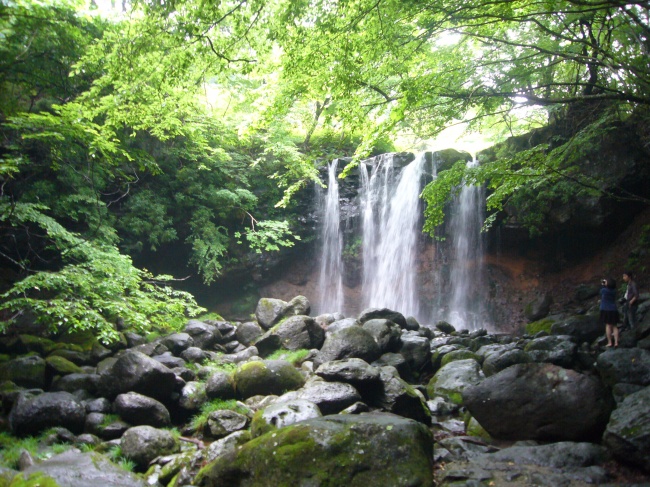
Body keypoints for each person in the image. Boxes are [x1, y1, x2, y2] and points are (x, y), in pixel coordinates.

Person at [599, 277, 620, 347]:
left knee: (608, 325)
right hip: (613, 309)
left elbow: (600, 290)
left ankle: (610, 342)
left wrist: (603, 284)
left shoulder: (604, 290)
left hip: (606, 309)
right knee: (614, 326)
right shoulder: (614, 291)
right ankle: (616, 342)